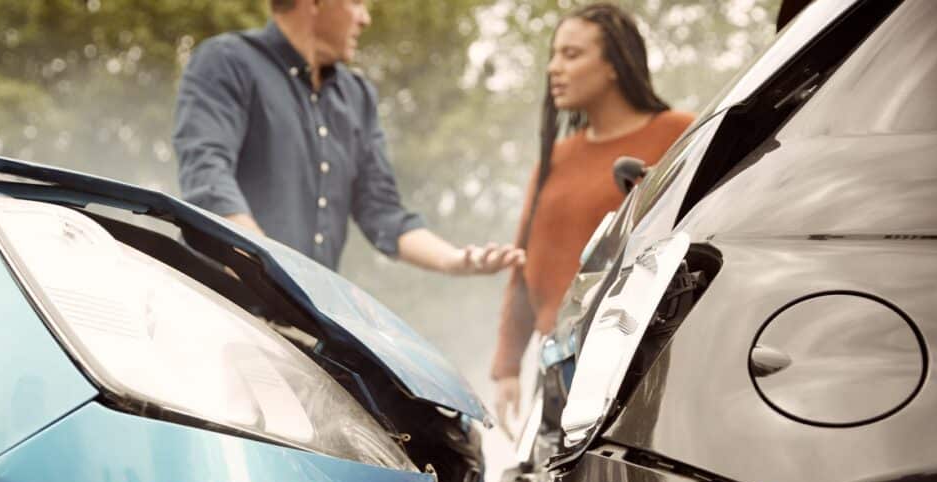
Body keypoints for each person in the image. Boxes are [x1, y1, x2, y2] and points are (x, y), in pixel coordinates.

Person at [173, 0, 523, 275]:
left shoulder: (357, 96)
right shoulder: (226, 61)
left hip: (299, 330)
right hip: (215, 310)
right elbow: (208, 178)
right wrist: (266, 270)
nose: (365, 18)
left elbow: (381, 211)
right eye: (356, 2)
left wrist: (455, 259)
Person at [491, 3, 694, 435]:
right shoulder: (554, 159)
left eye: (571, 54)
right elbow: (523, 267)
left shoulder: (679, 134)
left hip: (640, 370)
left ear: (614, 65)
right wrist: (508, 367)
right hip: (558, 373)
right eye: (553, 54)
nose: (553, 68)